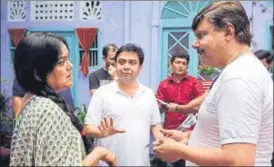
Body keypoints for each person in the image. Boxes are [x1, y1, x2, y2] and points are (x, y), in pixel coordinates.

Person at [153, 1, 273, 166]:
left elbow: (239, 160)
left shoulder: (239, 77)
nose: (195, 44)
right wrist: (188, 138)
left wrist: (180, 151)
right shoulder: (241, 71)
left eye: (202, 35)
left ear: (228, 32)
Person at [10, 32, 117, 166]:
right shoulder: (47, 110)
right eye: (61, 62)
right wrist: (98, 153)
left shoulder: (32, 99)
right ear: (39, 72)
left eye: (68, 59)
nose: (70, 65)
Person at [84, 43, 163, 166]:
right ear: (115, 65)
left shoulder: (148, 94)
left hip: (141, 163)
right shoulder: (102, 93)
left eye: (132, 63)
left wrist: (161, 139)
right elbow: (88, 128)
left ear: (140, 67)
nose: (126, 67)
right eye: (121, 62)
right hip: (110, 163)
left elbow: (155, 124)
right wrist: (102, 133)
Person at [156, 50, 205, 167]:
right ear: (171, 64)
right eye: (178, 62)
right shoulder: (163, 84)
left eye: (184, 63)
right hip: (169, 131)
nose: (181, 66)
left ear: (187, 66)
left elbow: (202, 104)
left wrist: (180, 108)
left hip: (190, 131)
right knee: (170, 162)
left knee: (188, 162)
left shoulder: (194, 83)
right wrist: (163, 107)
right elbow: (158, 108)